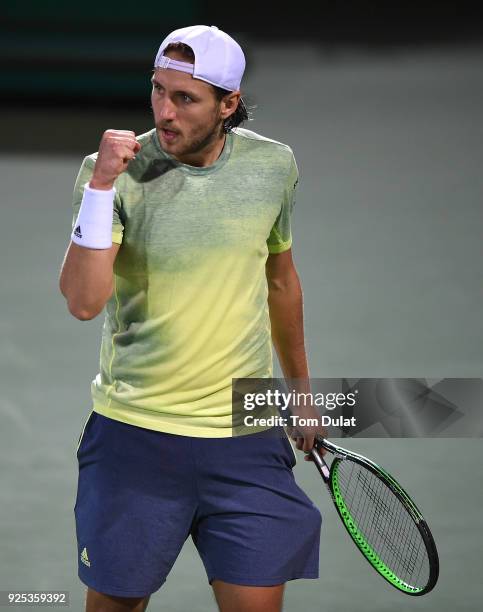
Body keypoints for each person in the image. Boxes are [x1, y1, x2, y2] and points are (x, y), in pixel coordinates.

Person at [59, 24, 326, 612]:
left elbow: (280, 279)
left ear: (229, 104)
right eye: (158, 91)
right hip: (136, 436)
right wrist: (102, 185)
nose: (164, 113)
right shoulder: (112, 173)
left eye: (185, 98)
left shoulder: (273, 166)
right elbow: (82, 302)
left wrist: (300, 391)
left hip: (245, 437)